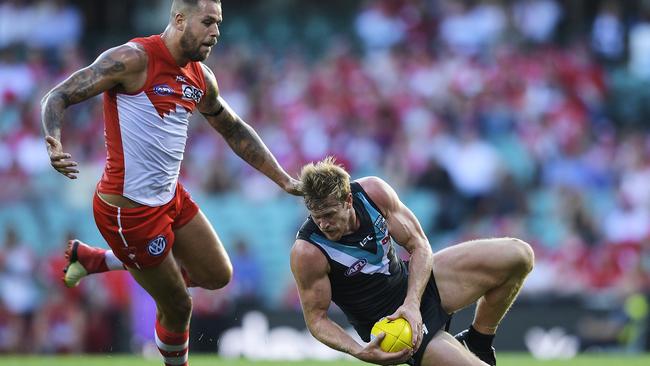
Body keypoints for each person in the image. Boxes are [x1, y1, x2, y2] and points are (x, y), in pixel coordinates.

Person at [40, 1, 299, 365]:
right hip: (128, 212)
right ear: (179, 19)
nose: (216, 32)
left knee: (218, 275)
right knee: (178, 305)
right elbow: (58, 94)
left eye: (219, 23)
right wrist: (53, 139)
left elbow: (234, 128)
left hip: (170, 197)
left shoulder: (201, 77)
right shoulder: (133, 59)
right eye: (208, 21)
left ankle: (96, 260)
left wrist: (283, 179)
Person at [291, 157, 534, 366]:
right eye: (316, 217)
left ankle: (478, 341)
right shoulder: (308, 252)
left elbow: (419, 245)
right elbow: (317, 319)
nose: (323, 224)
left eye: (329, 215)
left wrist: (411, 302)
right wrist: (358, 350)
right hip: (393, 325)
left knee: (519, 255)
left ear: (348, 201)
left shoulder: (373, 193)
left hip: (413, 285)